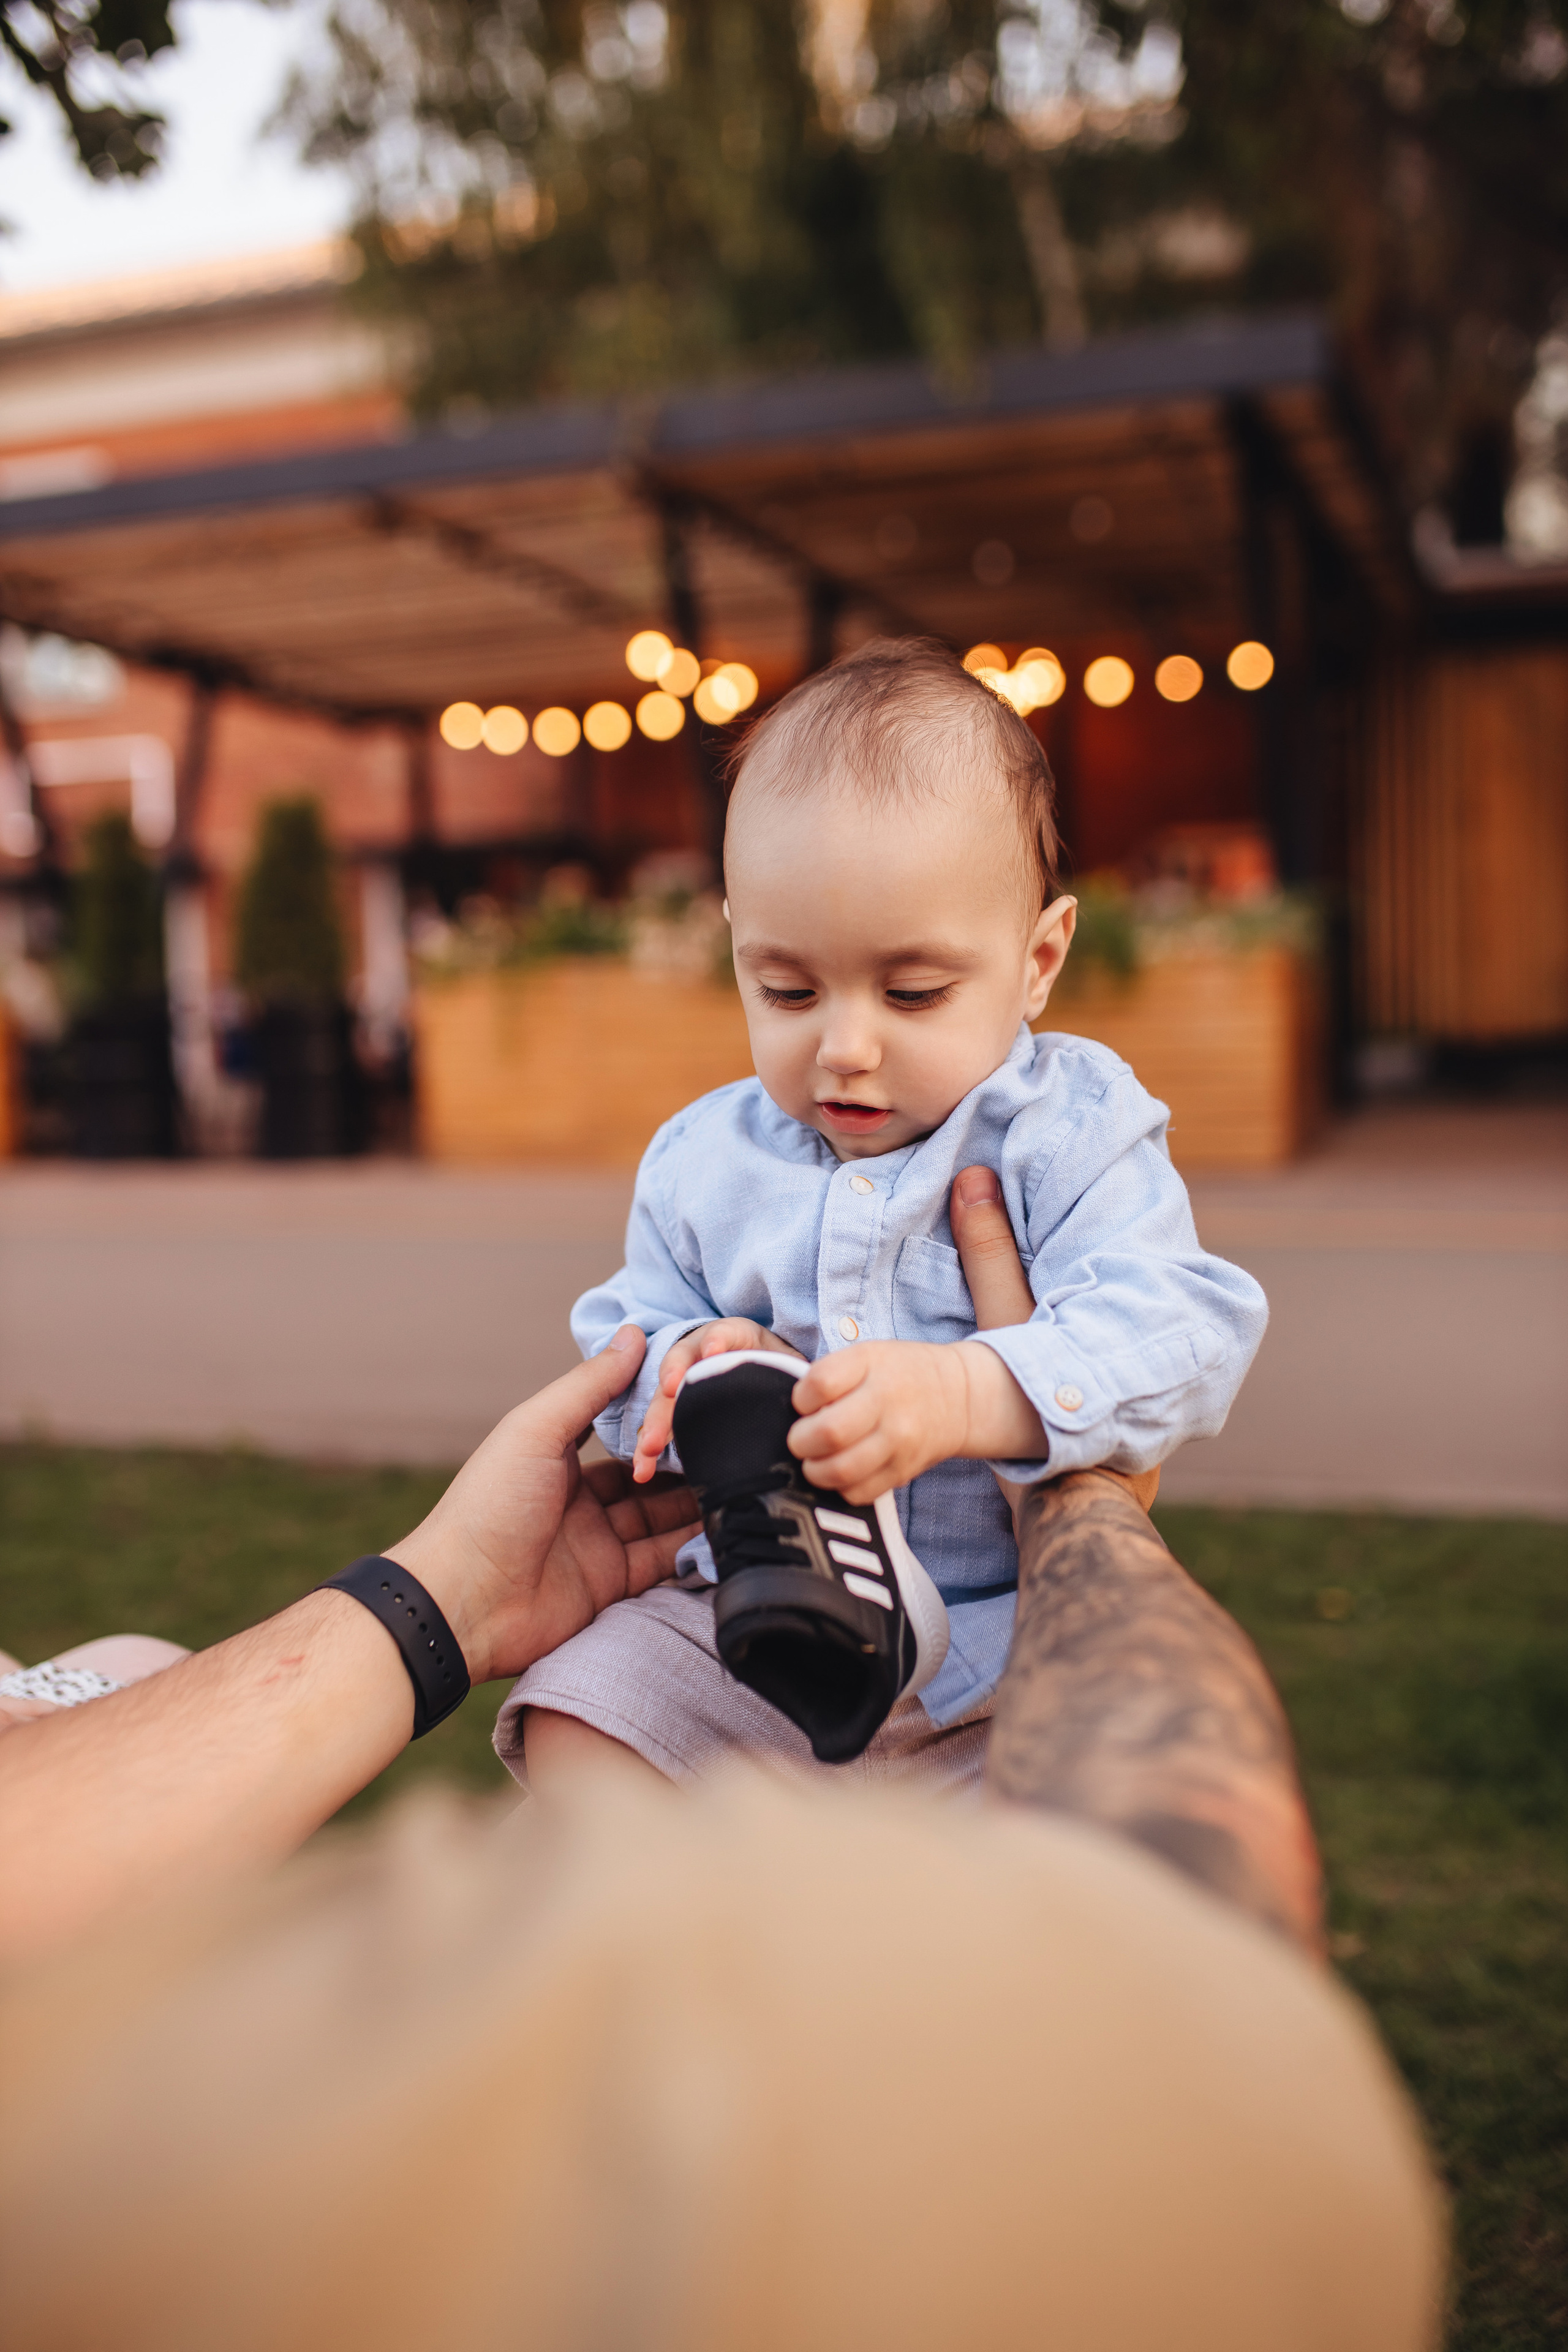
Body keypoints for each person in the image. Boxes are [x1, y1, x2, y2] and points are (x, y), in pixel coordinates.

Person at [0, 1203, 1440, 2352]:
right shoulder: (238, 2198)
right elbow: (1176, 1985)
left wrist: (444, 1599)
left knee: (138, 1661)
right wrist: (1077, 1505)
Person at [504, 636, 1267, 1793]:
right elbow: (626, 1340)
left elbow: (1187, 1328)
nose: (845, 1047)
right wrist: (691, 1365)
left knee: (1109, 1814)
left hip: (998, 1662)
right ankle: (668, 1949)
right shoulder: (703, 1160)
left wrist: (968, 1390)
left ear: (1039, 959)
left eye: (913, 993)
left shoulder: (1063, 1127)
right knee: (579, 1715)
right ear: (737, 954)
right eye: (789, 990)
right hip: (747, 1627)